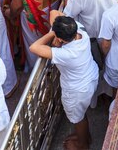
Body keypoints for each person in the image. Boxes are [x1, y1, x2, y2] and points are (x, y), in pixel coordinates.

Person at [30, 15, 99, 150]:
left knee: (78, 117)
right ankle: (84, 136)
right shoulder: (79, 30)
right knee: (81, 114)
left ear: (61, 39)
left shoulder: (67, 54)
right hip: (90, 77)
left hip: (77, 90)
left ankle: (82, 144)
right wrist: (58, 36)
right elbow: (55, 13)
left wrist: (52, 34)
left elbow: (34, 47)